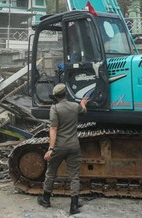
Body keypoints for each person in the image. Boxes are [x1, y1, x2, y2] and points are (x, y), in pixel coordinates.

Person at [37, 83, 88, 215]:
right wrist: (83, 103)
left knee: (51, 172)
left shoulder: (55, 108)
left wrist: (51, 148)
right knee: (74, 176)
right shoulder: (74, 106)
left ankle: (46, 199)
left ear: (55, 96)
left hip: (59, 147)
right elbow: (83, 111)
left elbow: (53, 128)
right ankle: (74, 206)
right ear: (66, 93)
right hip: (73, 146)